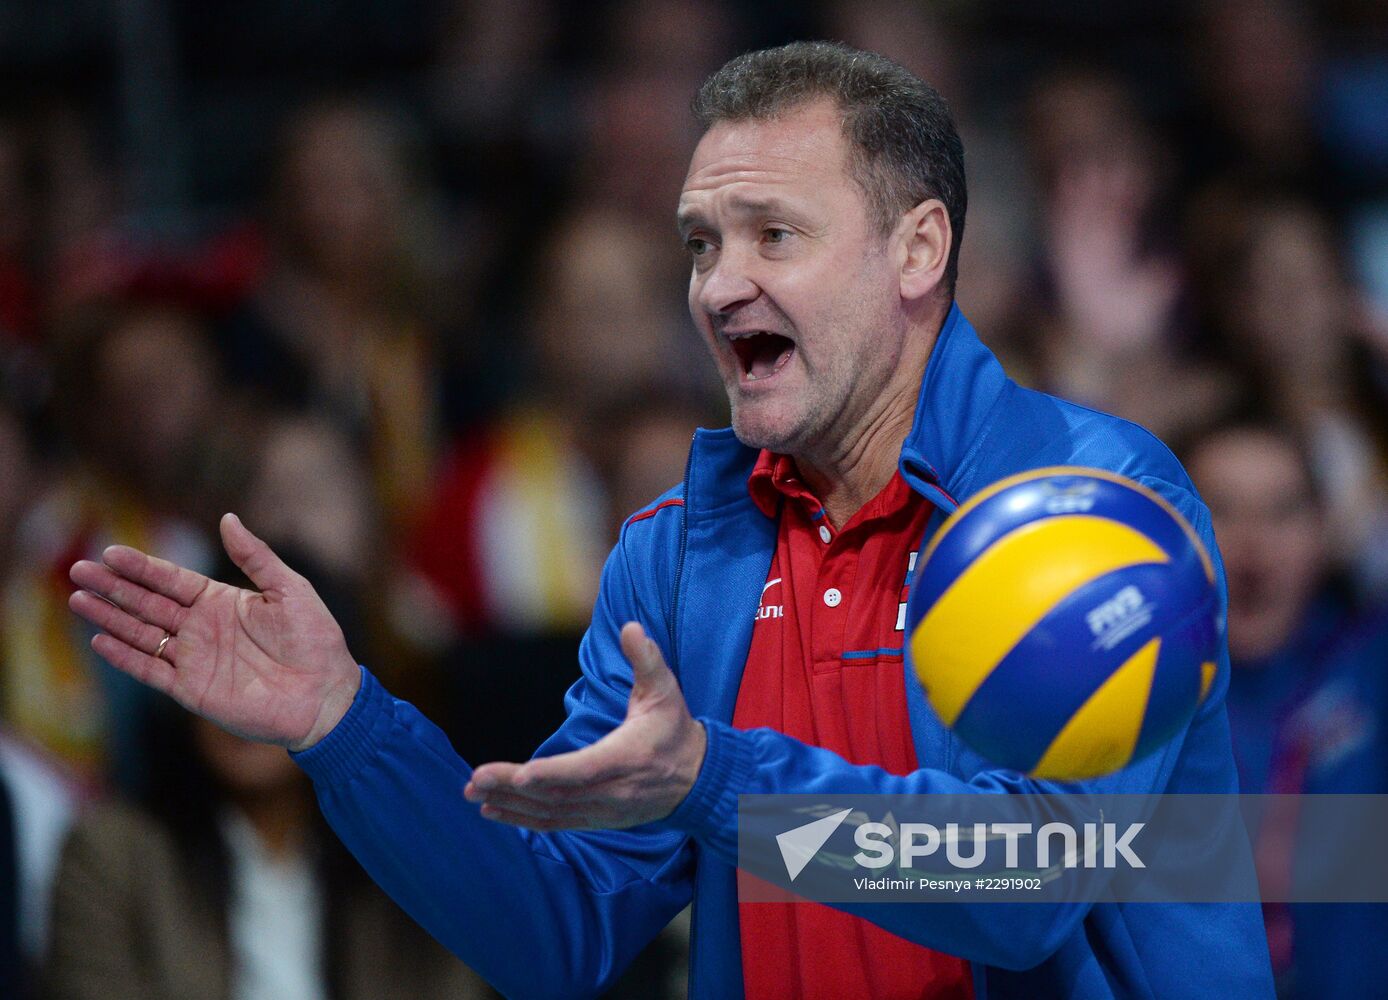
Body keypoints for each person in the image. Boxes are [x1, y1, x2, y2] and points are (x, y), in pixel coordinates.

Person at [67, 42, 1274, 999]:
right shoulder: (674, 555)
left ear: (917, 249)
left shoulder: (1092, 506)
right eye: (699, 242)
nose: (716, 284)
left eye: (772, 236)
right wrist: (344, 727)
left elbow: (1027, 885)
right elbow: (557, 930)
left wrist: (716, 780)